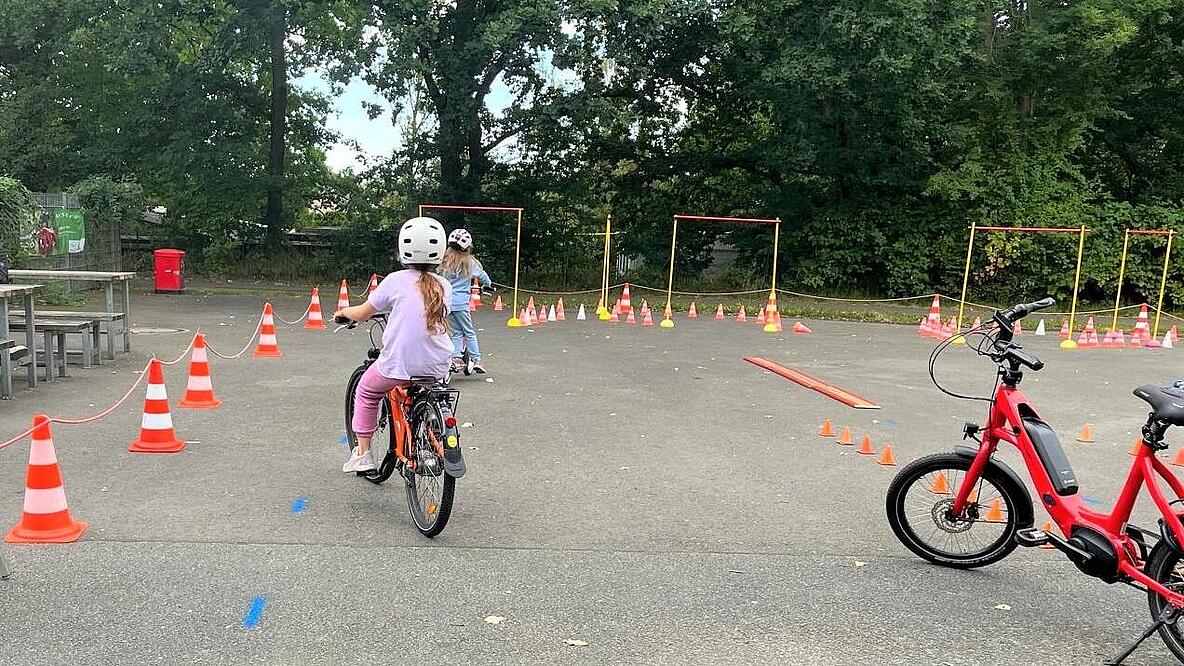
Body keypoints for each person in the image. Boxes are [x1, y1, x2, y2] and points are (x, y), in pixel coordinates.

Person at [335, 216, 454, 473]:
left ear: (404, 249)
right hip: (438, 362)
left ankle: (364, 454)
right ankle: (433, 427)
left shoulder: (394, 280)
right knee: (430, 390)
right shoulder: (444, 285)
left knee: (366, 391)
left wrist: (345, 312)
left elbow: (365, 311)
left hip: (400, 361)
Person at [438, 228, 492, 374]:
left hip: (446, 302)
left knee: (456, 332)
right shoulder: (469, 263)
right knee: (469, 332)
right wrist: (488, 284)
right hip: (461, 303)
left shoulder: (444, 261)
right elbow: (483, 276)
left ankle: (456, 358)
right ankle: (476, 359)